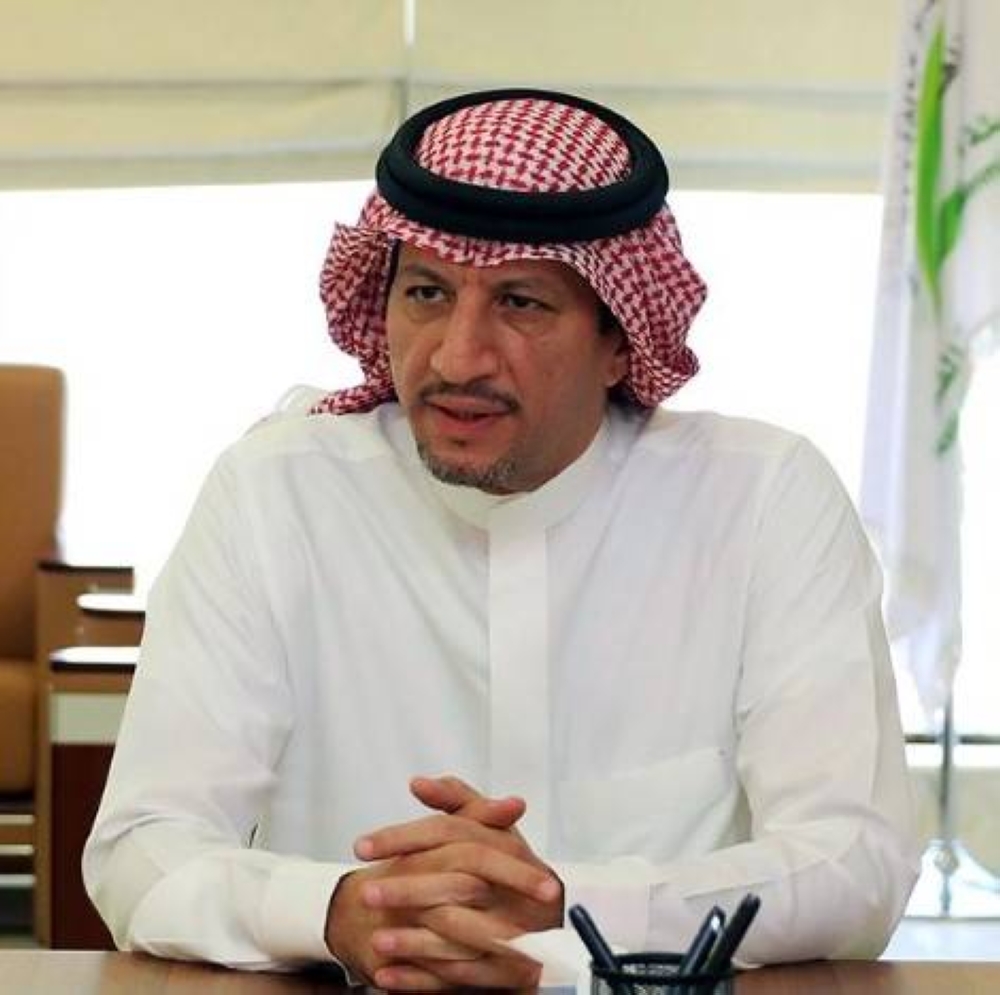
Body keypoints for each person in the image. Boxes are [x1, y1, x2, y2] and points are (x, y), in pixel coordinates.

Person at [84, 89, 918, 989]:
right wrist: (340, 910)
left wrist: (562, 907)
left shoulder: (760, 500)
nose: (456, 357)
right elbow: (141, 849)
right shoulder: (274, 494)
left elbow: (853, 861)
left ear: (619, 339)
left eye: (520, 302)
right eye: (427, 293)